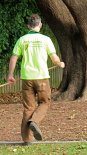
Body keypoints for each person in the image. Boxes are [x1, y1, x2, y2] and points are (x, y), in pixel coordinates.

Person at [7, 14, 65, 145]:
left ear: (29, 26)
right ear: (40, 25)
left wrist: (10, 75)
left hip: (27, 78)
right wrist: (60, 64)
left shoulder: (22, 40)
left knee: (28, 107)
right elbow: (54, 58)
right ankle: (35, 121)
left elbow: (14, 57)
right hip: (42, 78)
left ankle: (27, 139)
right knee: (45, 102)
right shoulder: (46, 39)